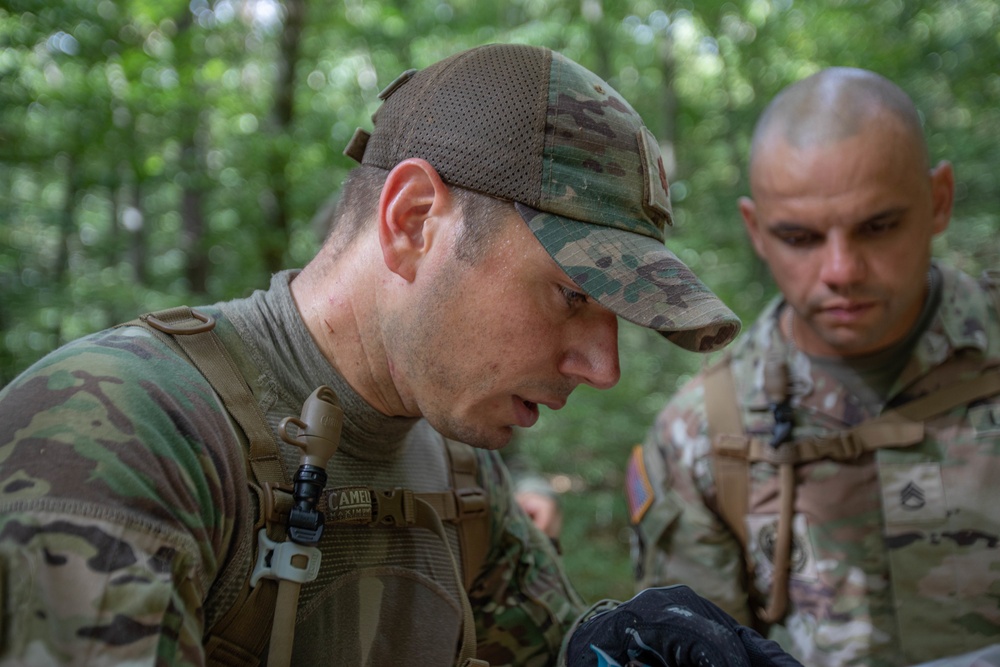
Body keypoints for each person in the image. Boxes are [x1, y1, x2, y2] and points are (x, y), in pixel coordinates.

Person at [0, 43, 783, 667]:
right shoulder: (115, 435)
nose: (602, 366)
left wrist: (601, 646)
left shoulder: (459, 475)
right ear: (412, 221)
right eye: (574, 294)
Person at [628, 66, 1000, 667]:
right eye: (800, 237)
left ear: (938, 202)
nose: (842, 270)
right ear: (756, 230)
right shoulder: (702, 436)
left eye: (878, 227)